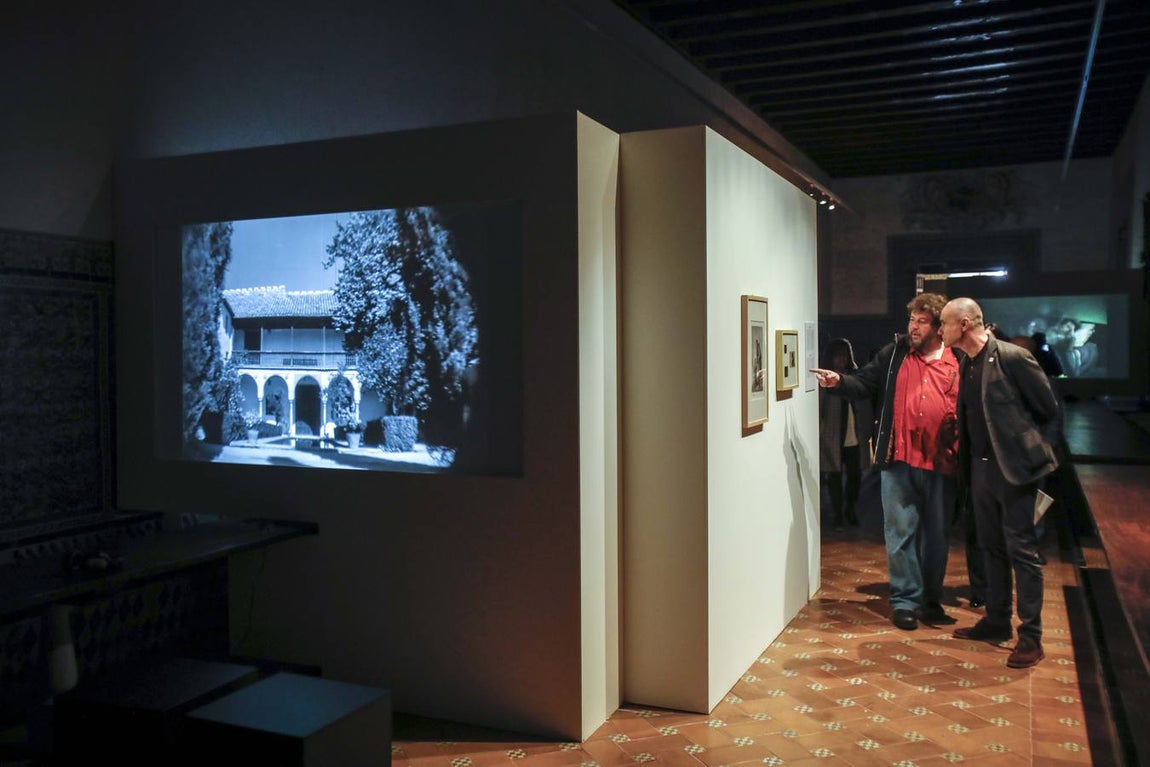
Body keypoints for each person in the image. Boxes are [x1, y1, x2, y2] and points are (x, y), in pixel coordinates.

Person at [811, 293, 959, 631]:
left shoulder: (957, 358)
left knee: (936, 536)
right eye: (912, 320)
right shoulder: (895, 354)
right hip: (898, 459)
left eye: (922, 322)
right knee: (900, 533)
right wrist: (838, 382)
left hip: (942, 462)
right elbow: (864, 381)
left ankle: (931, 600)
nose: (914, 327)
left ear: (939, 327)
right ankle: (905, 601)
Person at [939, 297, 1062, 669]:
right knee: (990, 547)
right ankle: (996, 620)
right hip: (981, 471)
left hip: (1014, 471)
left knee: (1022, 552)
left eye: (944, 323)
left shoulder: (1012, 357)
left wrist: (1035, 456)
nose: (940, 331)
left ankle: (1031, 637)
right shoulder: (967, 362)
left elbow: (1048, 411)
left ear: (964, 324)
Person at [818, 338, 873, 530]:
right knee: (834, 476)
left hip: (855, 435)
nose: (841, 360)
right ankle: (838, 514)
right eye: (838, 356)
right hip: (831, 436)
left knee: (854, 476)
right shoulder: (824, 381)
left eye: (844, 356)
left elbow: (865, 406)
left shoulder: (856, 378)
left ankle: (850, 508)